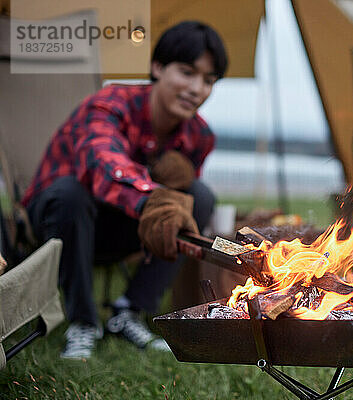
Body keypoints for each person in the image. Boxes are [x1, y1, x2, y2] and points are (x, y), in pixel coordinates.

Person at [22, 21, 228, 359]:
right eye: (187, 72)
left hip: (121, 230)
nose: (197, 88)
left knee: (199, 196)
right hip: (57, 223)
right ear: (157, 67)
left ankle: (128, 312)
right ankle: (83, 322)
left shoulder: (199, 136)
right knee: (71, 192)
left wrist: (172, 190)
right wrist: (154, 197)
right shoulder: (108, 103)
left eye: (208, 80)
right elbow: (101, 161)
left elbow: (180, 204)